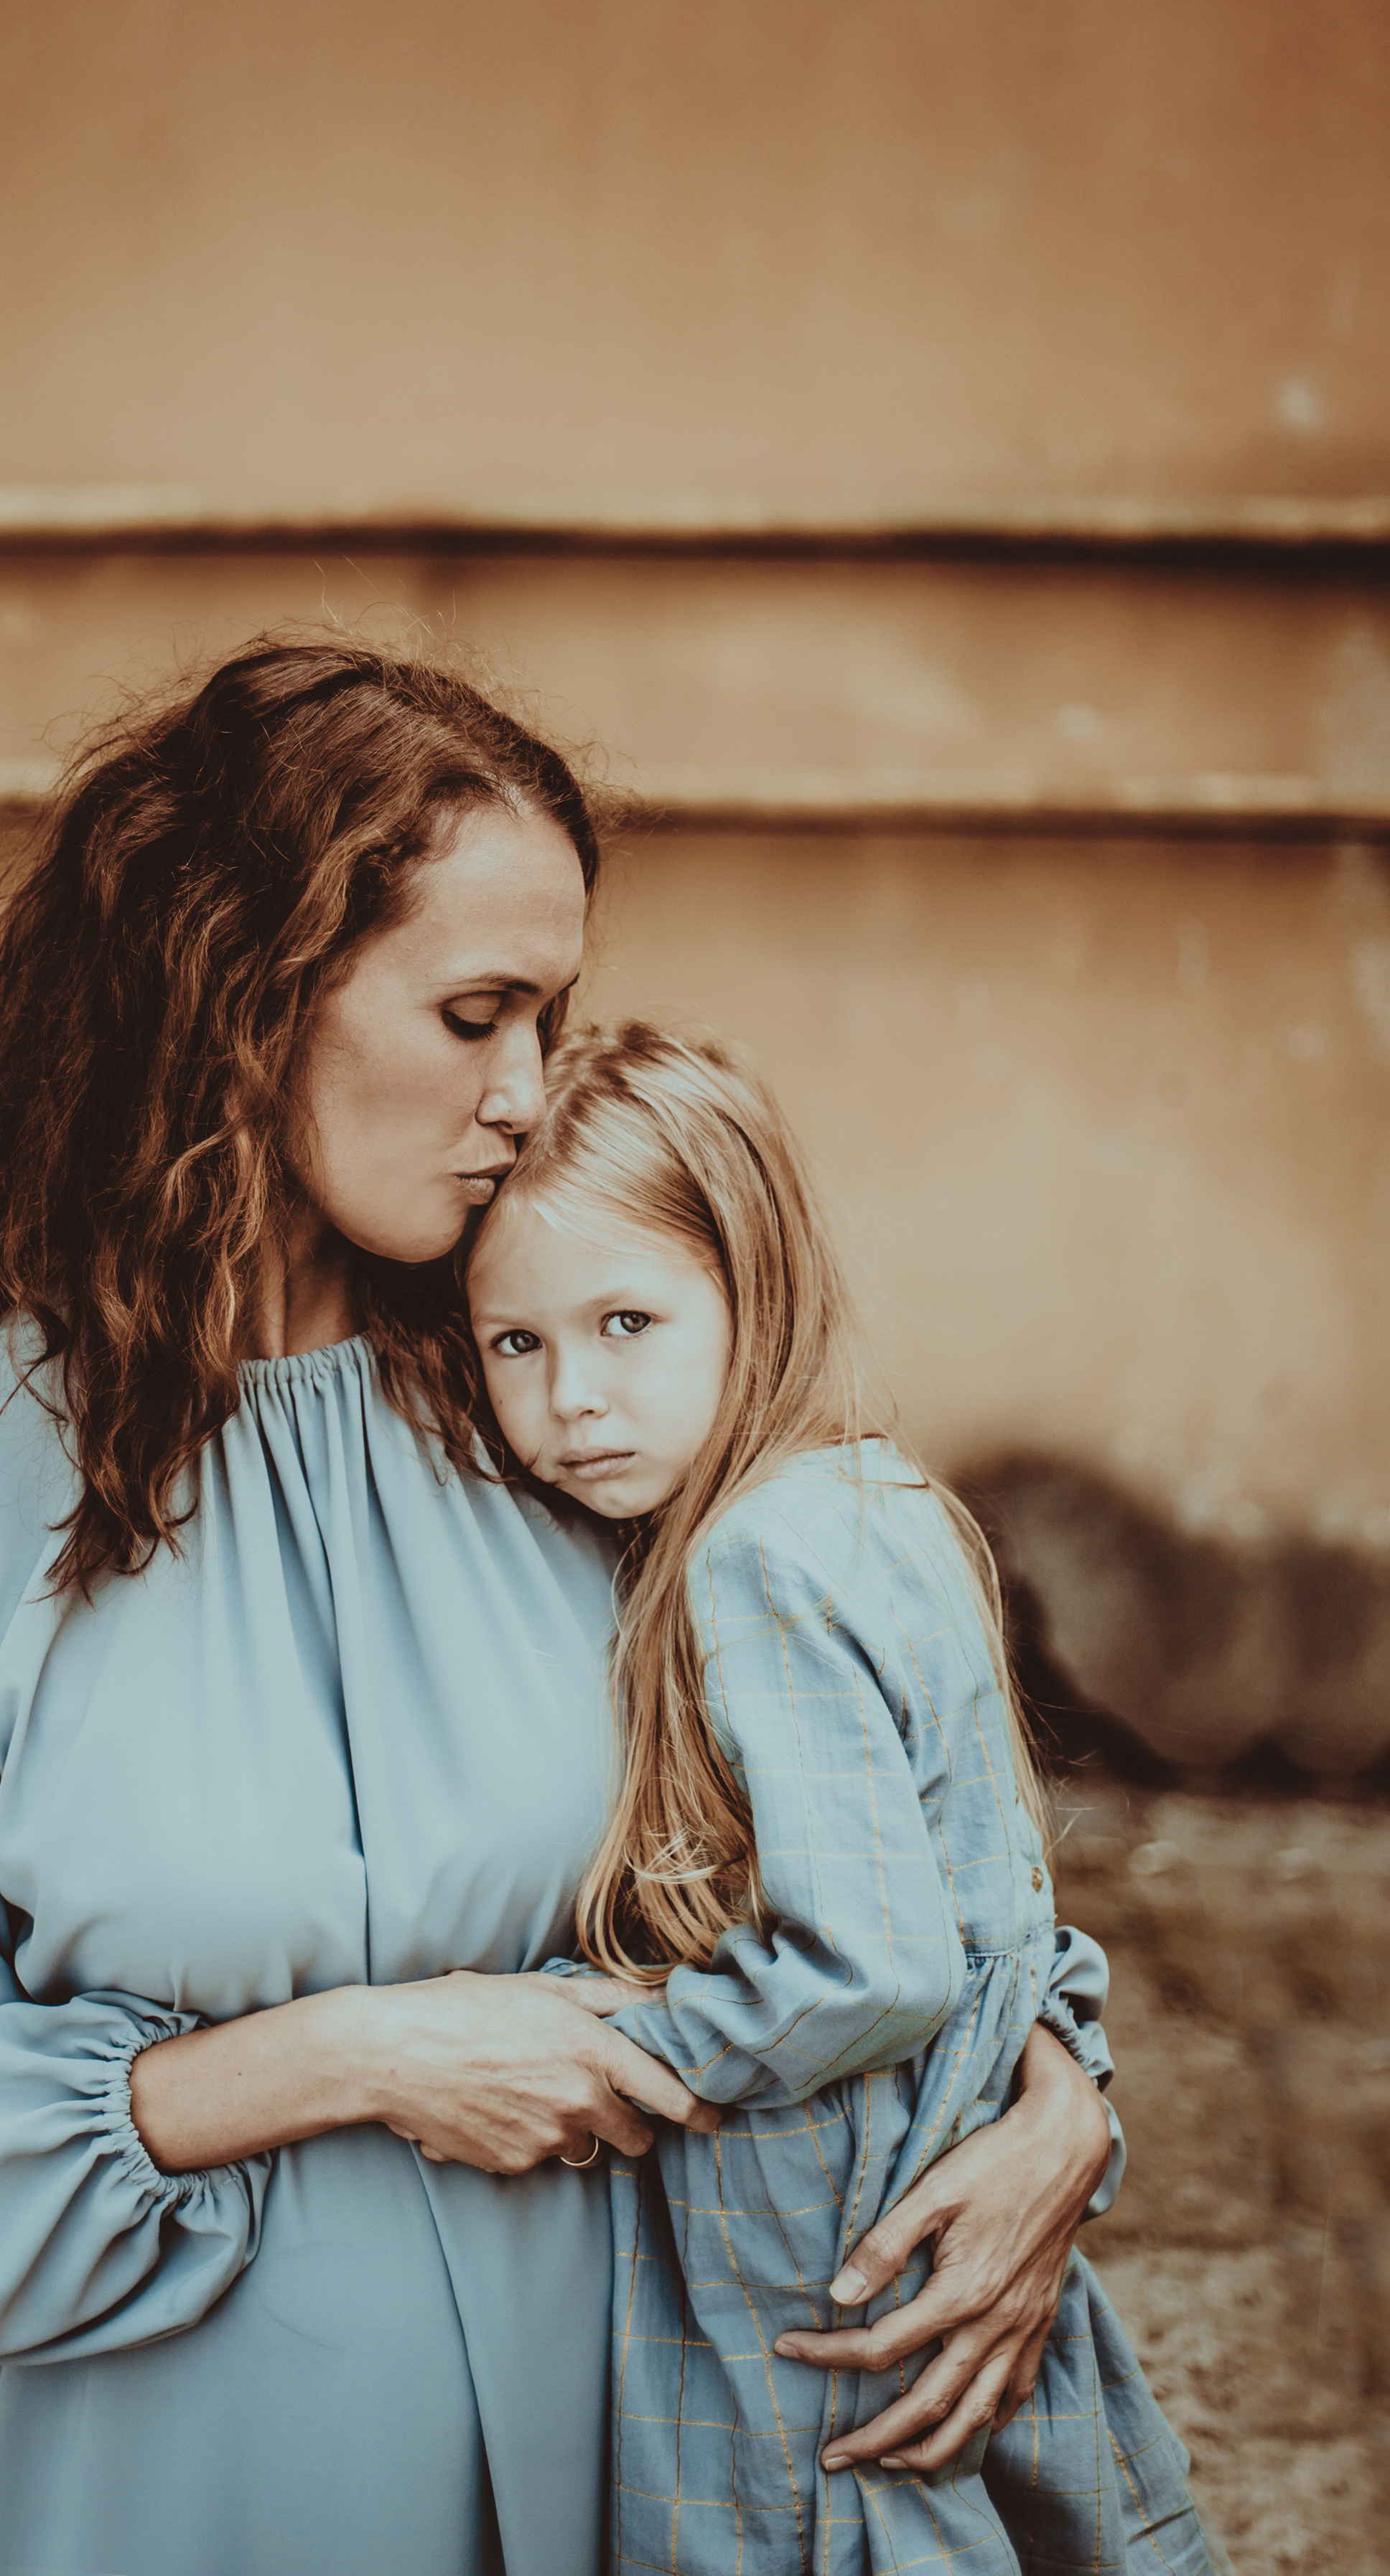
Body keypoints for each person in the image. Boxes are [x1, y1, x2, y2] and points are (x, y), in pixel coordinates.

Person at [0, 641, 1119, 2576]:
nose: (530, 1093)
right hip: (179, 2476)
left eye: (553, 1018)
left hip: (648, 2455)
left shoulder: (563, 1409)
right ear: (245, 1002)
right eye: (478, 1014)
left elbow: (873, 1835)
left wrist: (1058, 2105)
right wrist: (368, 2055)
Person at [464, 1019, 1211, 2575]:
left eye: (625, 1322)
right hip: (932, 2167)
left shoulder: (751, 1563)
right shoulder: (882, 1504)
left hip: (811, 2233)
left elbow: (868, 1961)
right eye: (514, 1344)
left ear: (754, 1291)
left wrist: (610, 2038)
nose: (570, 1402)